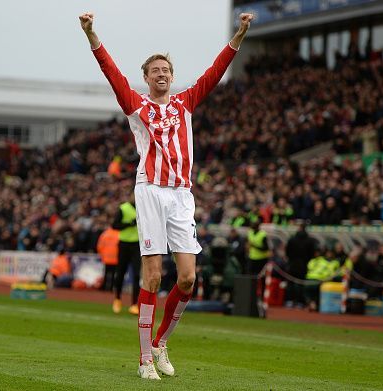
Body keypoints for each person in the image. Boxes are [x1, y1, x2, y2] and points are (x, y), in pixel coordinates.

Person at [79, 11, 253, 380]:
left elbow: (216, 71)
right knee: (153, 276)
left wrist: (238, 34)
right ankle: (144, 360)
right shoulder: (137, 106)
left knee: (188, 278)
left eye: (166, 70)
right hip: (150, 191)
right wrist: (92, 34)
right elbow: (111, 72)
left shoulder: (185, 103)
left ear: (172, 77)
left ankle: (160, 343)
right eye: (155, 70)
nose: (162, 74)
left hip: (181, 196)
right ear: (146, 78)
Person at [111, 194, 141, 315]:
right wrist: (130, 224)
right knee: (121, 273)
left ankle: (134, 304)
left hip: (137, 245)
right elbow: (114, 225)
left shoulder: (143, 208)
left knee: (136, 275)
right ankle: (117, 299)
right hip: (124, 244)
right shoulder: (124, 208)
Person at [285, 223, 315, 308]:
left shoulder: (292, 239)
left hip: (292, 264)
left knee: (290, 283)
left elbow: (288, 252)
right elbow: (311, 254)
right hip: (304, 265)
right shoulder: (309, 240)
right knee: (301, 284)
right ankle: (300, 302)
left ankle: (290, 301)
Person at [96, 225, 119, 292]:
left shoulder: (105, 234)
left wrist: (102, 254)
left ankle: (104, 287)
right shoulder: (119, 234)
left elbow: (99, 246)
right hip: (115, 258)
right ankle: (111, 288)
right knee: (113, 274)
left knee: (106, 273)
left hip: (106, 257)